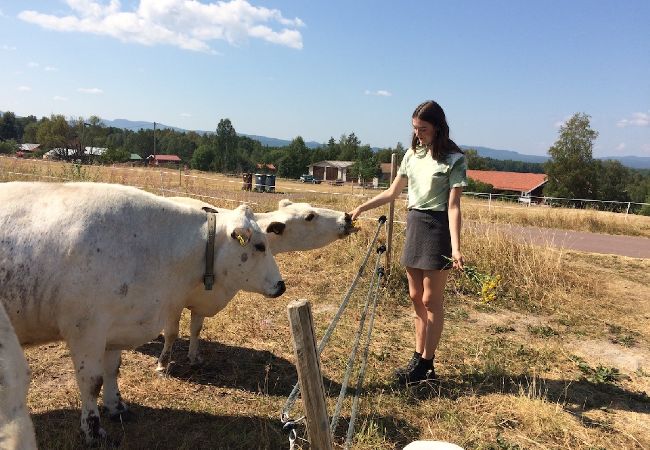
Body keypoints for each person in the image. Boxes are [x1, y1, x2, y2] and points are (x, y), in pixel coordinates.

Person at [349, 100, 467, 383]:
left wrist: (457, 247)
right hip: (415, 225)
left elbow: (453, 207)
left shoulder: (454, 159)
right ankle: (417, 357)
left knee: (431, 299)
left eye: (423, 129)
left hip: (437, 228)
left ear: (438, 127)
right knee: (415, 297)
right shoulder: (411, 154)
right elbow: (392, 193)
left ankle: (427, 363)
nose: (418, 134)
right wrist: (362, 208)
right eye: (415, 129)